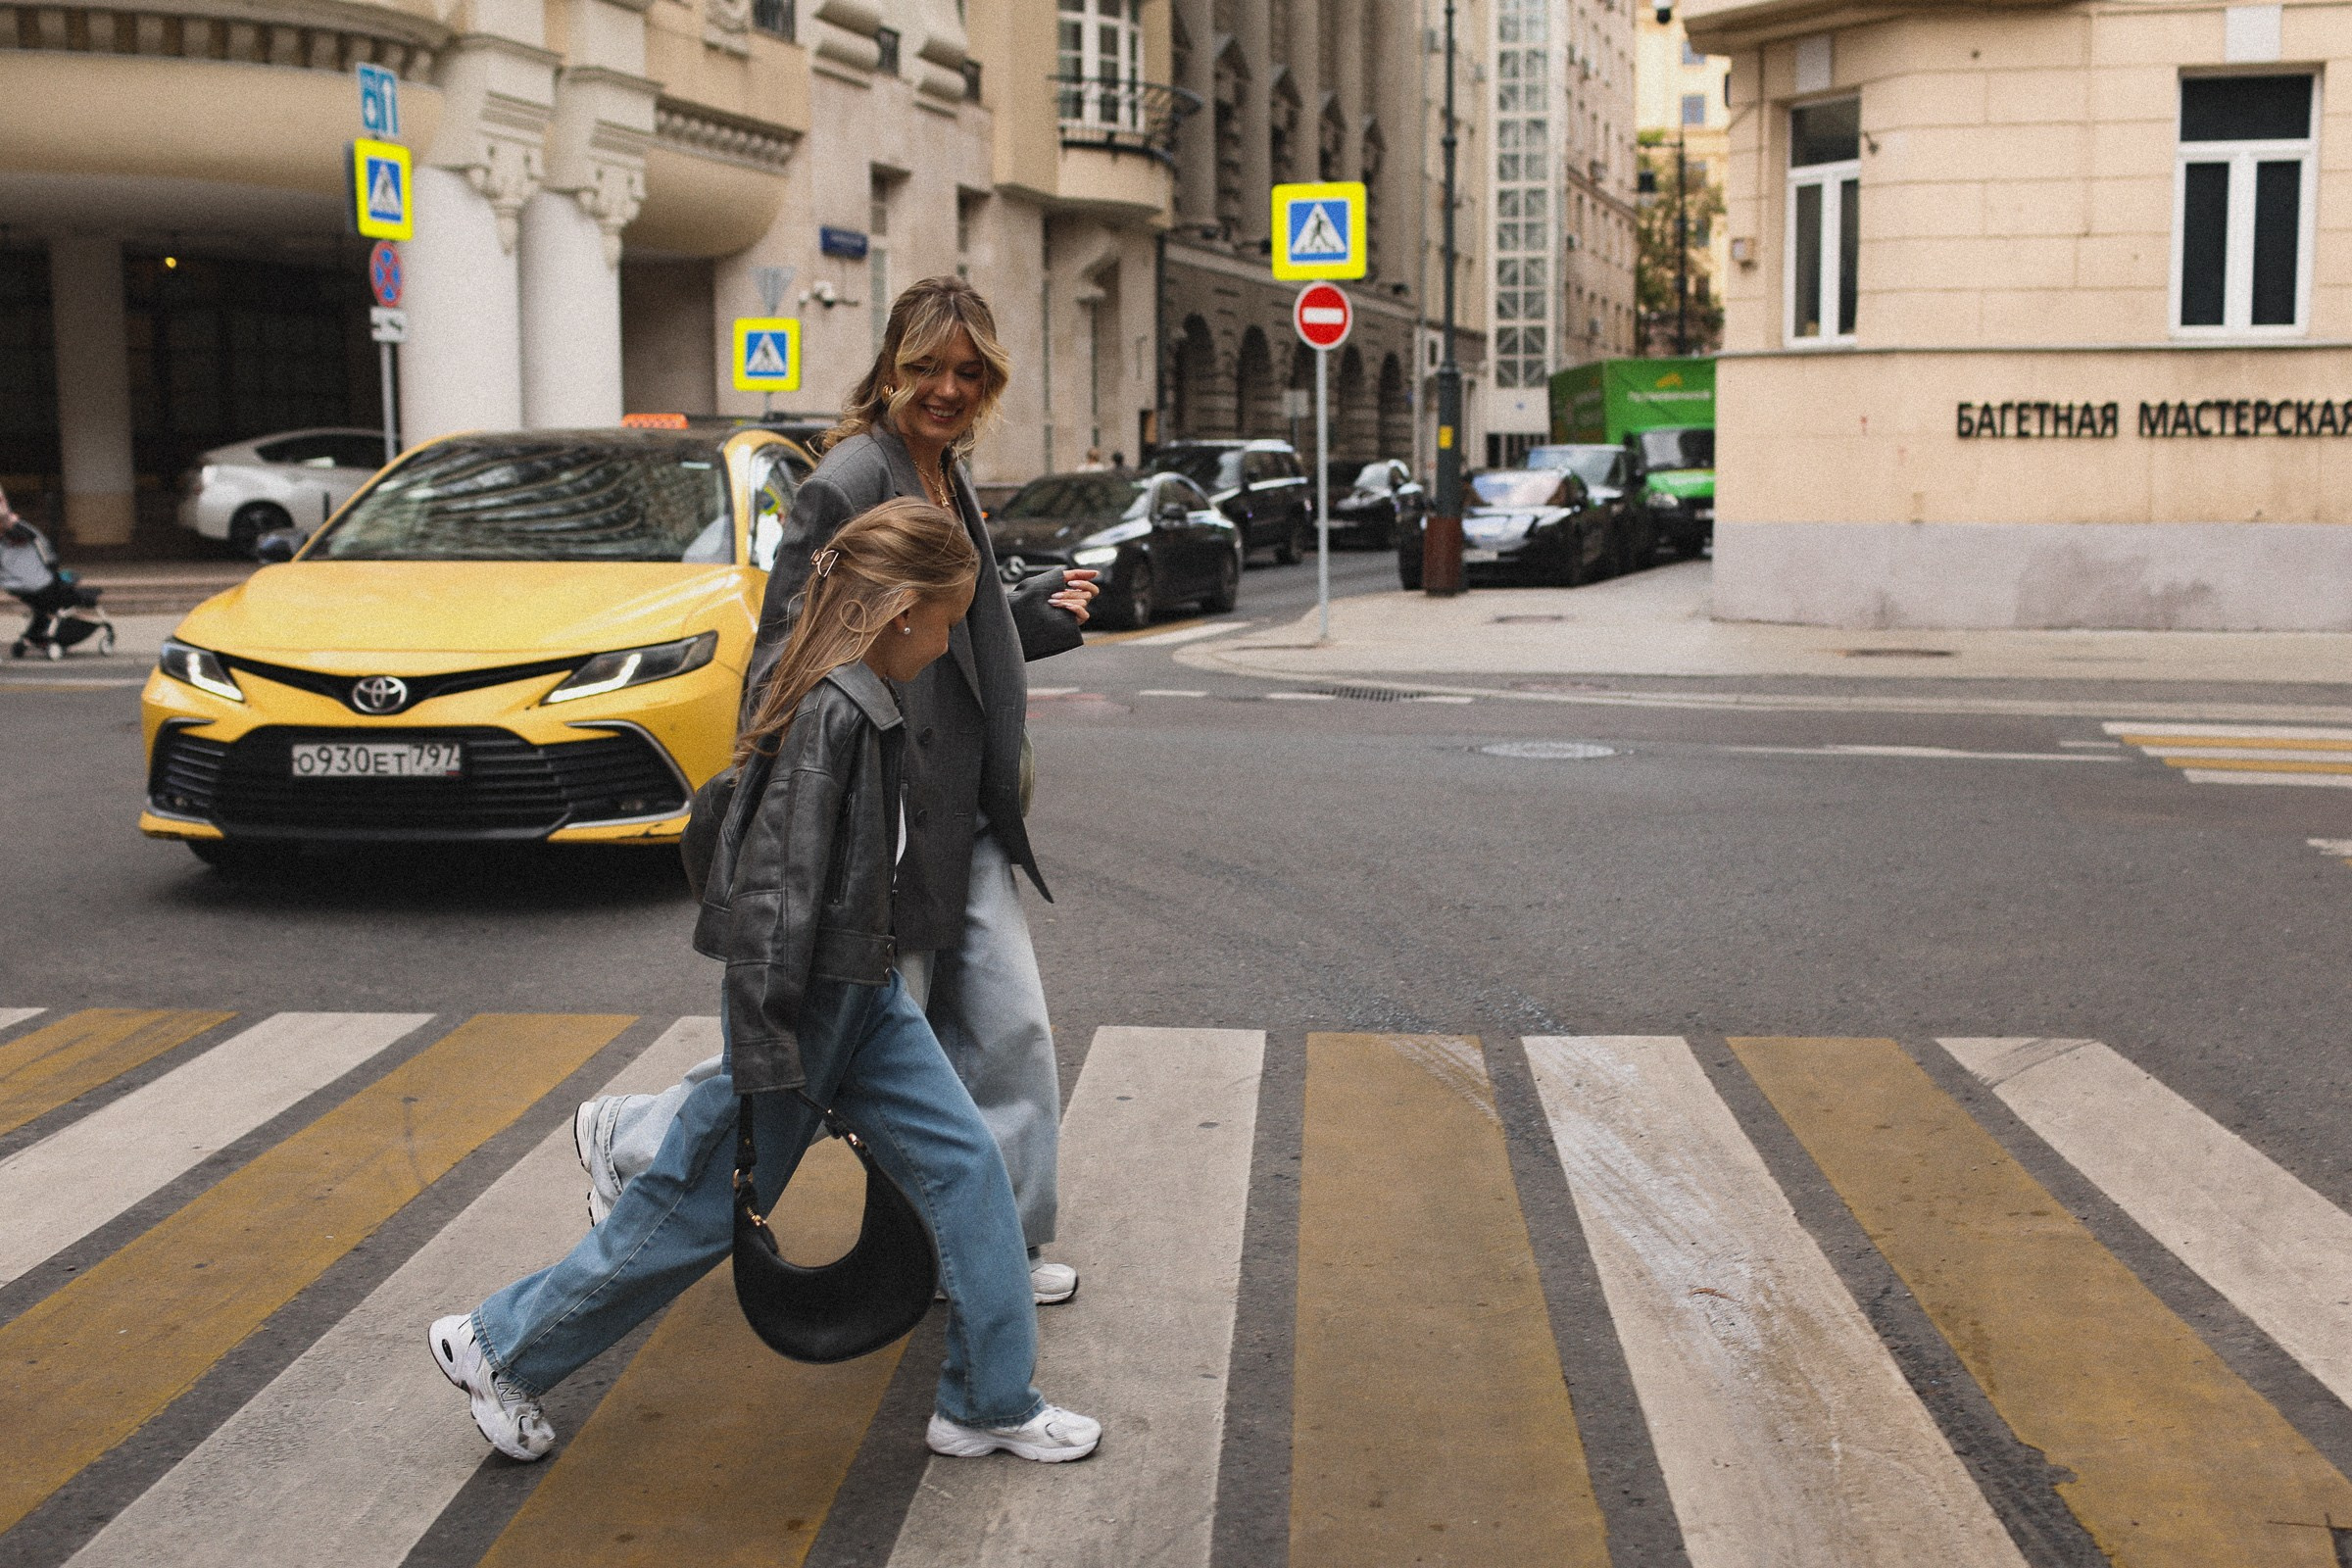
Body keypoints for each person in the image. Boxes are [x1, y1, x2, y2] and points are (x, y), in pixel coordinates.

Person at [431, 497, 1102, 1466]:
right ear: (903, 611)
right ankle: (499, 1346)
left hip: (862, 995)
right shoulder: (836, 716)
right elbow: (775, 907)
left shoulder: (866, 698)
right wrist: (766, 1050)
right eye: (950, 615)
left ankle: (988, 1401)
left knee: (969, 1172)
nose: (954, 635)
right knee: (682, 1220)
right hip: (804, 1017)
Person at [577, 276, 1100, 1305]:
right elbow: (788, 653)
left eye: (966, 372)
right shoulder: (851, 478)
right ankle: (635, 1138)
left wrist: (1021, 616)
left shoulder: (940, 467)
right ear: (890, 369)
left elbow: (929, 602)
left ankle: (992, 1244)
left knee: (1006, 1033)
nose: (946, 388)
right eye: (927, 369)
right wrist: (782, 816)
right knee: (841, 1052)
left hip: (962, 805)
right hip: (884, 815)